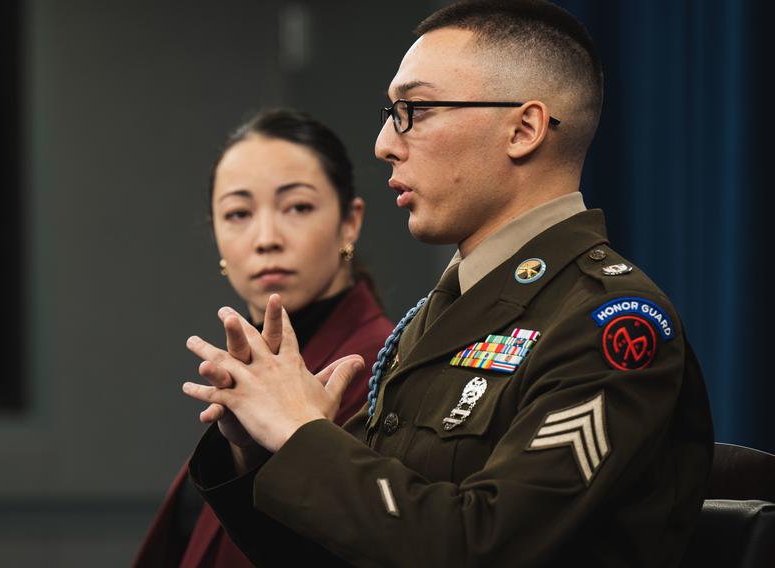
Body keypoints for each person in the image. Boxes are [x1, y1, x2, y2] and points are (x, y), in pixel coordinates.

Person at [181, 1, 714, 566]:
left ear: (524, 129)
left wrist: (301, 434)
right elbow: (341, 544)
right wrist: (258, 446)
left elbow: (480, 547)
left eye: (415, 109)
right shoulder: (447, 311)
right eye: (391, 112)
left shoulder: (612, 324)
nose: (385, 142)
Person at [134, 109, 394, 567]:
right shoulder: (252, 366)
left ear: (349, 222)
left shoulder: (380, 365)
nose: (266, 238)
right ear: (215, 234)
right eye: (237, 213)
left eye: (298, 207)